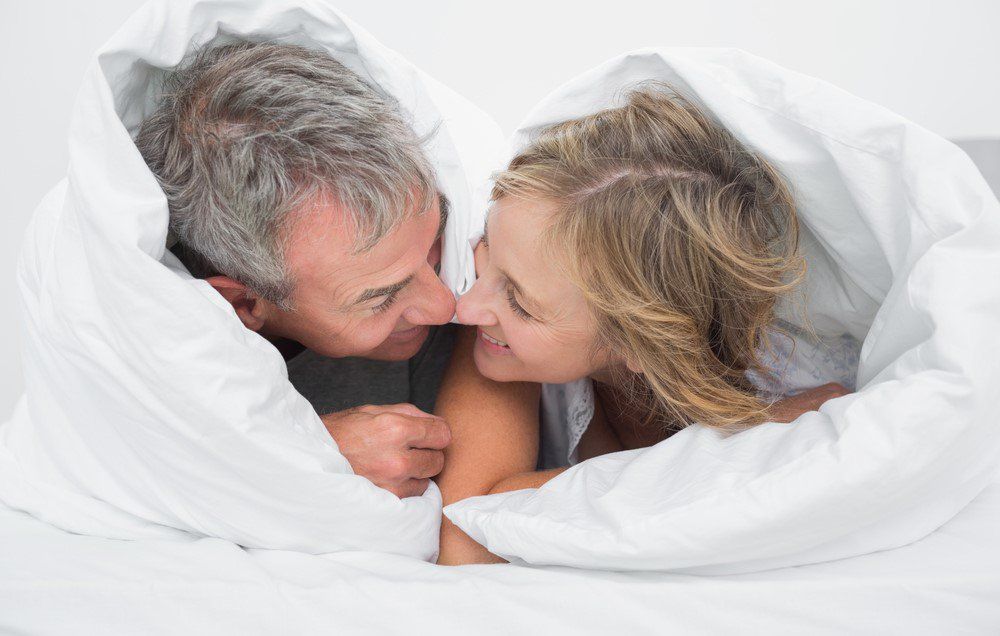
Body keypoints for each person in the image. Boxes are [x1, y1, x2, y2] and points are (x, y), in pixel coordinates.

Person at [434, 85, 849, 564]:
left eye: (522, 305)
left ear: (640, 341)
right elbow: (466, 537)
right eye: (486, 247)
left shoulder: (799, 384)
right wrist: (722, 452)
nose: (464, 307)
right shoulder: (498, 330)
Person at [135, 41, 459, 499]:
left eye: (434, 240)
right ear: (244, 304)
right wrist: (303, 452)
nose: (447, 305)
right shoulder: (153, 372)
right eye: (382, 297)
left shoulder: (474, 284)